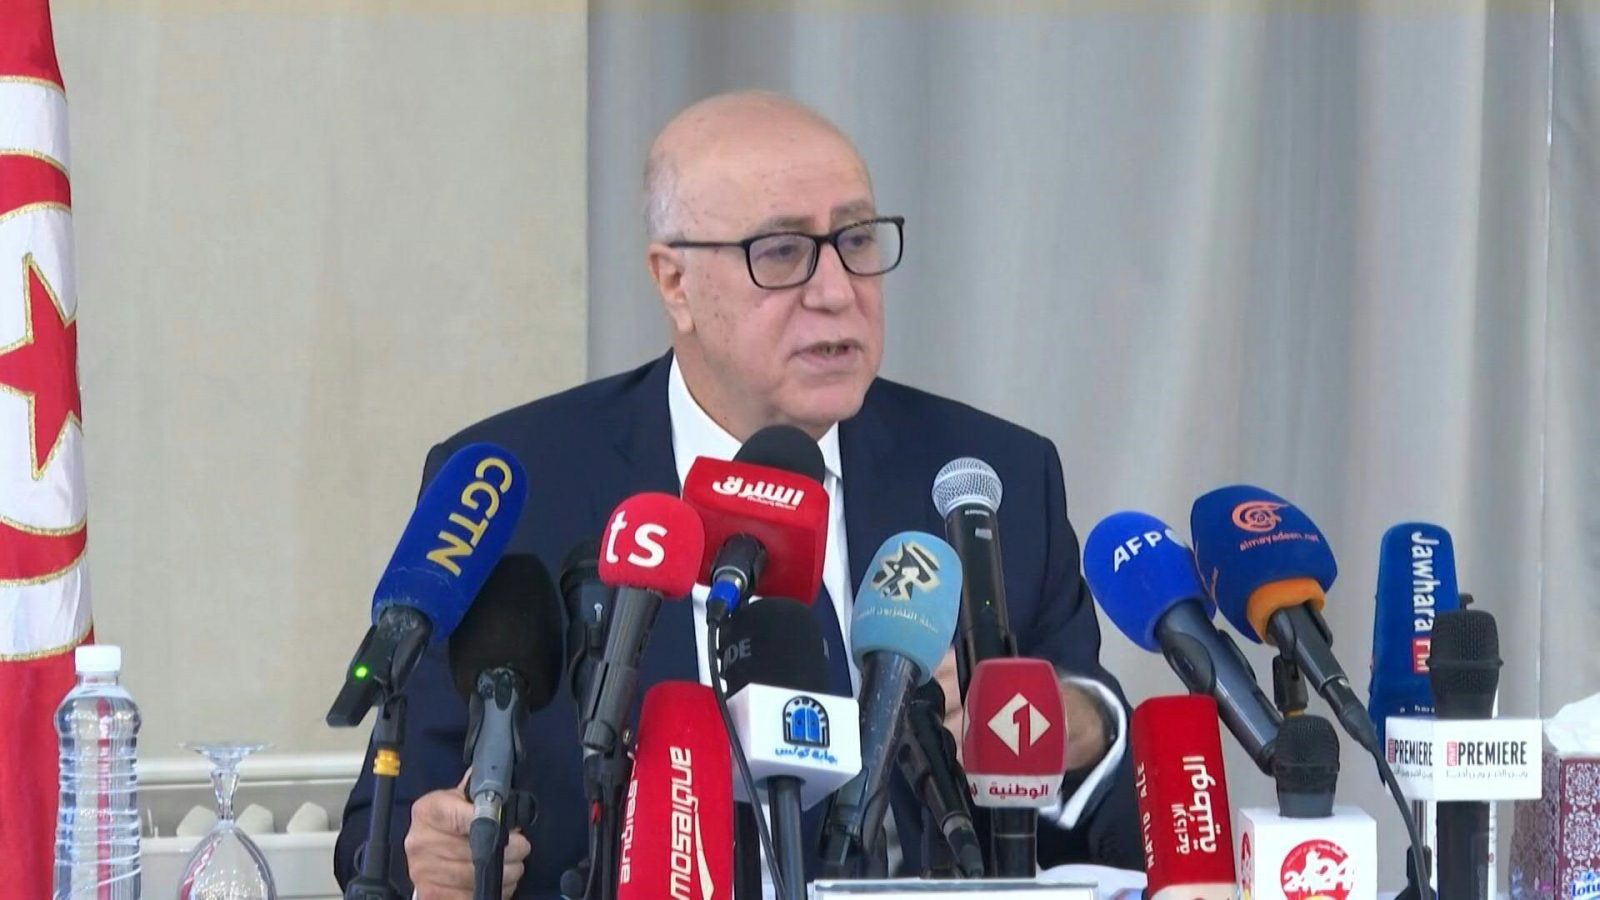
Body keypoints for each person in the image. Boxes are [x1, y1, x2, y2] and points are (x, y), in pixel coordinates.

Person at [336, 90, 1141, 899]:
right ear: (674, 282)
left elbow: (1113, 833)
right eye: (782, 252)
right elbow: (385, 832)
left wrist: (1077, 730)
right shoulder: (520, 488)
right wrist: (435, 856)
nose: (837, 290)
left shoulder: (990, 478)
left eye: (856, 239)